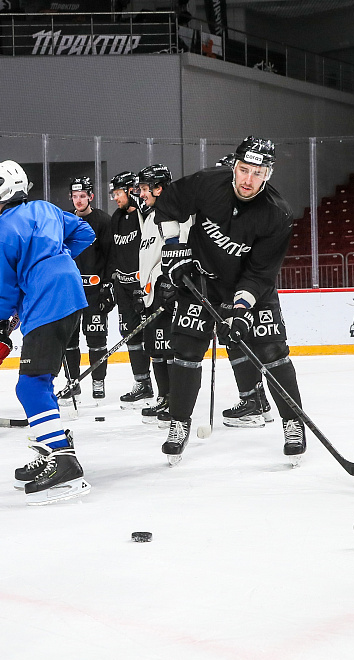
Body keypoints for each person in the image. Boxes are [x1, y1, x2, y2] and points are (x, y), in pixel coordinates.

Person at [153, 136, 306, 465]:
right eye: (243, 169)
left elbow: (260, 275)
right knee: (187, 348)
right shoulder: (209, 182)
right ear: (234, 167)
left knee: (271, 349)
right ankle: (179, 423)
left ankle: (293, 423)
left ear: (268, 174)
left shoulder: (277, 215)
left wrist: (239, 313)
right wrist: (174, 248)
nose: (247, 180)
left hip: (249, 287)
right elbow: (167, 204)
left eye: (257, 172)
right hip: (201, 279)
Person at [0, 160, 95, 504]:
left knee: (30, 384)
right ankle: (49, 452)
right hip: (70, 292)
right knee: (40, 381)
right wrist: (54, 260)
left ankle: (62, 459)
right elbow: (85, 233)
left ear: (2, 191)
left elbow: (6, 293)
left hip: (47, 299)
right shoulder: (46, 208)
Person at [132, 163, 188, 427]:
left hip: (170, 293)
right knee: (156, 349)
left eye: (145, 188)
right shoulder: (149, 216)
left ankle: (175, 401)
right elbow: (150, 257)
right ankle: (164, 397)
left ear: (159, 187)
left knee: (170, 349)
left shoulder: (176, 213)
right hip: (151, 294)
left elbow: (180, 251)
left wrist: (169, 283)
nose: (141, 194)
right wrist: (139, 285)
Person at [59, 176, 114, 402]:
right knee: (69, 341)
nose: (79, 200)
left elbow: (112, 256)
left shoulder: (103, 220)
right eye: (75, 196)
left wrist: (108, 284)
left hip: (94, 291)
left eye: (83, 196)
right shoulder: (65, 221)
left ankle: (98, 381)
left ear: (91, 196)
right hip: (70, 292)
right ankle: (73, 382)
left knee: (96, 339)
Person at [107, 170, 154, 407]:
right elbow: (114, 254)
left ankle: (166, 390)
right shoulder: (116, 217)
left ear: (130, 191)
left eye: (118, 193)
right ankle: (142, 383)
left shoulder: (145, 217)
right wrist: (113, 285)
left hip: (144, 287)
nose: (115, 198)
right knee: (130, 336)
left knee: (153, 338)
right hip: (124, 289)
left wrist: (141, 288)